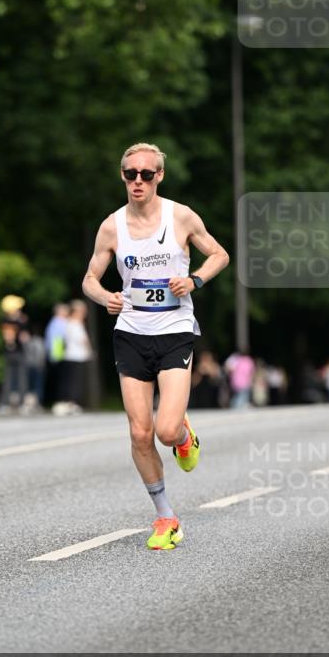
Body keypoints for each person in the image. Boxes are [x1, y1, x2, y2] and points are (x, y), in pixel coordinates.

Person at [82, 141, 229, 551]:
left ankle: (184, 436)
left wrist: (195, 280)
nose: (138, 181)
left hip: (175, 329)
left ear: (159, 176)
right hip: (130, 332)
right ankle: (166, 517)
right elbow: (89, 279)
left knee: (165, 429)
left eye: (147, 174)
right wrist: (104, 297)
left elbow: (219, 254)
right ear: (123, 176)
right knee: (140, 432)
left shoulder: (180, 216)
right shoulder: (112, 226)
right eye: (131, 174)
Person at [61, 300, 93, 412]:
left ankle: (69, 402)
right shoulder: (76, 324)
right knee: (76, 381)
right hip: (77, 356)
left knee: (71, 380)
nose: (84, 314)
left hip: (70, 355)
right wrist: (90, 351)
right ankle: (73, 403)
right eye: (82, 311)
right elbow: (82, 340)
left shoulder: (68, 323)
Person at [44, 303, 69, 408]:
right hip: (59, 354)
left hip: (57, 354)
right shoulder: (58, 323)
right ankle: (60, 402)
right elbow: (57, 340)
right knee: (61, 379)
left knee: (60, 379)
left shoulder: (54, 323)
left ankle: (61, 401)